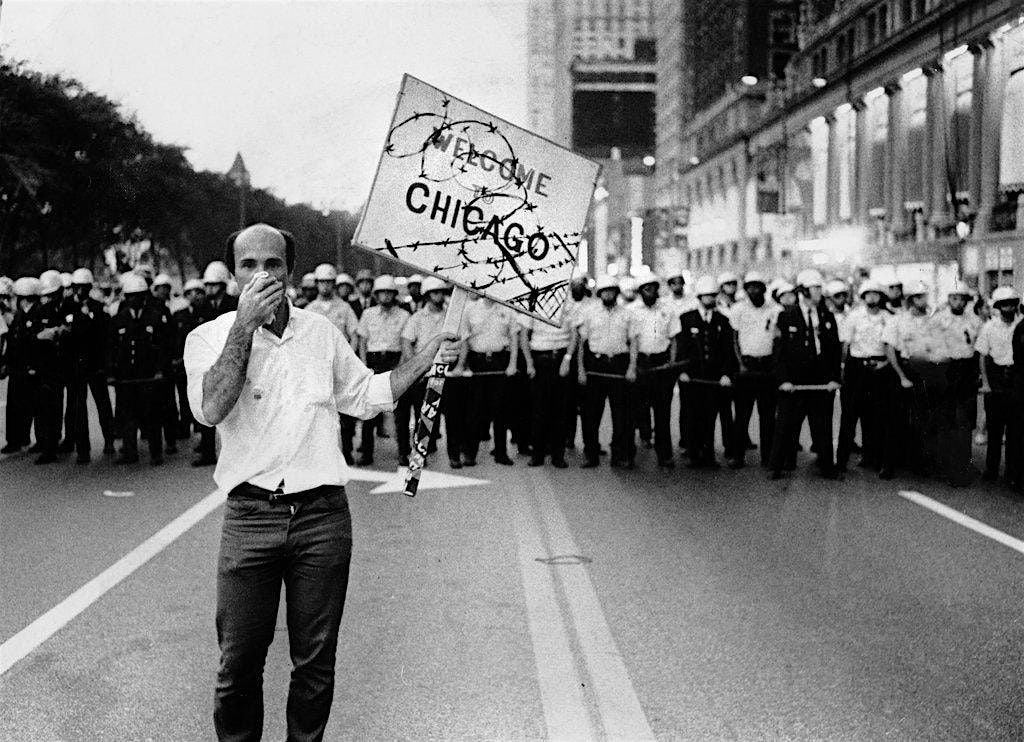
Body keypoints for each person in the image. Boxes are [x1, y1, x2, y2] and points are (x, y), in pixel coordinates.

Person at [183, 224, 460, 742]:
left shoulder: (320, 333)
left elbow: (367, 394)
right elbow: (211, 407)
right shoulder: (208, 337)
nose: (262, 275)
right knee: (238, 662)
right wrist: (244, 327)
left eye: (273, 264)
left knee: (314, 662)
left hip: (322, 518)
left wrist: (427, 358)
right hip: (251, 517)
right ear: (233, 274)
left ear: (291, 271)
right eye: (248, 265)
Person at [768, 269, 842, 480]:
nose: (819, 292)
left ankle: (827, 466)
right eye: (815, 288)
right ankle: (777, 465)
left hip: (820, 382)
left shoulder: (827, 316)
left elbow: (834, 350)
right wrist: (783, 379)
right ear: (803, 290)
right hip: (794, 381)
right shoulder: (786, 316)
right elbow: (779, 352)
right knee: (785, 426)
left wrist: (834, 378)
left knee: (822, 425)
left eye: (819, 287)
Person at [109, 272, 172, 465]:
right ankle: (130, 452)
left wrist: (161, 369)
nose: (134, 300)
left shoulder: (154, 317)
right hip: (127, 377)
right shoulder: (119, 319)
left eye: (138, 296)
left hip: (148, 375)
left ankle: (155, 453)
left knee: (151, 415)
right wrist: (112, 373)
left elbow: (162, 347)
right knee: (129, 416)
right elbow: (111, 348)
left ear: (144, 297)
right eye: (130, 296)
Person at [885, 281, 945, 477]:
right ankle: (890, 464)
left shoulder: (933, 321)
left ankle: (919, 462)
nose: (923, 301)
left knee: (923, 419)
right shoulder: (897, 321)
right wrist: (901, 376)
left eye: (924, 296)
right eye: (918, 297)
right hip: (904, 368)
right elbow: (890, 349)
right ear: (910, 300)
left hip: (925, 370)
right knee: (896, 419)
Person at [577, 275, 636, 468]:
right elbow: (581, 344)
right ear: (600, 294)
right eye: (605, 291)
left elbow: (633, 342)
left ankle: (619, 454)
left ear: (617, 293)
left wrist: (631, 367)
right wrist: (581, 369)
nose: (608, 294)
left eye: (612, 291)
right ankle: (590, 454)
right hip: (596, 366)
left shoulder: (626, 314)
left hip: (619, 365)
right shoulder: (590, 313)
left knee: (621, 415)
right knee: (591, 414)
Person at [678, 276, 737, 469]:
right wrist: (683, 371)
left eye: (713, 296)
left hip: (714, 377)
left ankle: (709, 454)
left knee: (711, 416)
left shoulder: (723, 320)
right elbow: (682, 349)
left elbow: (728, 351)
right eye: (707, 296)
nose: (711, 299)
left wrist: (727, 374)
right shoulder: (687, 319)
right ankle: (694, 454)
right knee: (694, 416)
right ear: (699, 297)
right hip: (693, 377)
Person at [836, 279, 892, 474]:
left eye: (876, 294)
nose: (872, 297)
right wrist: (843, 369)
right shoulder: (854, 317)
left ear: (881, 297)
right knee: (850, 414)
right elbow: (845, 345)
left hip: (880, 367)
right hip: (857, 367)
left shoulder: (887, 317)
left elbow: (890, 345)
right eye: (868, 294)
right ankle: (841, 461)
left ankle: (874, 458)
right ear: (863, 297)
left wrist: (884, 364)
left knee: (878, 415)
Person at [62, 268, 116, 463]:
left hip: (94, 364)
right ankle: (82, 449)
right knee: (78, 409)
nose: (80, 291)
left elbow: (103, 338)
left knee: (103, 404)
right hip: (76, 365)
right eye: (77, 287)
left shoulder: (97, 308)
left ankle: (109, 439)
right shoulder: (66, 307)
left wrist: (105, 365)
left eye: (84, 288)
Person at [930, 281, 980, 486]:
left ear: (967, 301)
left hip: (966, 369)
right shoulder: (940, 320)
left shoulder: (975, 321)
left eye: (962, 299)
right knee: (945, 418)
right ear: (948, 299)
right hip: (947, 368)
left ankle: (964, 463)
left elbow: (977, 347)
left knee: (965, 420)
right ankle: (944, 464)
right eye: (954, 298)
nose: (958, 302)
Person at [458, 295, 519, 466]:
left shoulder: (507, 310)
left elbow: (514, 339)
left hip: (500, 362)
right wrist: (462, 365)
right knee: (475, 412)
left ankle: (501, 453)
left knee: (501, 411)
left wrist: (512, 364)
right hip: (478, 362)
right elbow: (465, 340)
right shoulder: (470, 309)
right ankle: (470, 453)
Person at [354, 275, 408, 466]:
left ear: (394, 294)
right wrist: (363, 365)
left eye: (389, 292)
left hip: (394, 361)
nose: (385, 296)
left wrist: (401, 366)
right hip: (374, 361)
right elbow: (362, 340)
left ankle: (404, 452)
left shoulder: (403, 315)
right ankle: (366, 452)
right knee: (369, 411)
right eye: (381, 292)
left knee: (401, 412)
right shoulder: (368, 314)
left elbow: (405, 342)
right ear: (376, 295)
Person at [627, 273, 680, 467]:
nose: (651, 292)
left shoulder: (667, 310)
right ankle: (629, 453)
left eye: (654, 288)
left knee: (662, 412)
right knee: (635, 411)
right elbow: (630, 341)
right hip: (641, 362)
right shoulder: (632, 311)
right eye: (647, 289)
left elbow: (674, 339)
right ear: (641, 291)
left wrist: (672, 362)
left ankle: (664, 454)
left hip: (661, 364)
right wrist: (632, 367)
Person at [729, 271, 778, 469]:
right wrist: (740, 363)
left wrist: (774, 364)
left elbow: (778, 339)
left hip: (766, 365)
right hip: (746, 365)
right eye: (750, 287)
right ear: (746, 289)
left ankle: (768, 457)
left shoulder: (774, 309)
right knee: (742, 414)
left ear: (764, 288)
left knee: (767, 415)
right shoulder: (738, 309)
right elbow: (734, 339)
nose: (754, 290)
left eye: (758, 286)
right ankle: (737, 455)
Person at [399, 276, 450, 466]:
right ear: (427, 295)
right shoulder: (417, 318)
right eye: (434, 293)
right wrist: (416, 367)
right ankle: (418, 455)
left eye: (441, 292)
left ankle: (439, 449)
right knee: (423, 415)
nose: (438, 296)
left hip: (445, 369)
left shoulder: (449, 317)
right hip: (425, 372)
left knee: (441, 416)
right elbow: (406, 342)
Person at [194, 261, 239, 467]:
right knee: (208, 406)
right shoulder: (201, 306)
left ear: (222, 285)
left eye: (213, 285)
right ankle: (207, 451)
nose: (209, 289)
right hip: (208, 361)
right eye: (208, 285)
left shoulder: (234, 304)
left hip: (230, 361)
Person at [520, 298, 575, 468]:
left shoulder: (569, 302)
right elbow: (524, 336)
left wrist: (567, 359)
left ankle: (558, 455)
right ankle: (537, 454)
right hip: (540, 361)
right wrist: (529, 363)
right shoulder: (533, 303)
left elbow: (574, 335)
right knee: (538, 411)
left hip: (560, 359)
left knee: (560, 412)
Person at [977, 286, 1021, 484]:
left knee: (1015, 430)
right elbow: (983, 356)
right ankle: (991, 469)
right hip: (996, 378)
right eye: (1004, 304)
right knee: (995, 429)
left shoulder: (1021, 325)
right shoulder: (989, 327)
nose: (1009, 308)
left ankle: (1012, 471)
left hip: (1016, 379)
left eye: (1012, 304)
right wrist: (986, 383)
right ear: (998, 306)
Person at [29, 270, 66, 464]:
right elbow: (34, 337)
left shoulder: (66, 309)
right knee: (44, 408)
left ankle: (54, 442)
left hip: (60, 366)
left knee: (55, 407)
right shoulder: (41, 312)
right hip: (45, 366)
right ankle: (47, 445)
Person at [1, 277, 41, 454]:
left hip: (29, 368)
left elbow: (33, 345)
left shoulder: (35, 316)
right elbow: (12, 342)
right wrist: (6, 363)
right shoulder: (19, 317)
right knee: (14, 405)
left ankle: (25, 437)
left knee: (30, 405)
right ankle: (15, 439)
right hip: (17, 368)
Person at [173, 279, 208, 443]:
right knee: (184, 396)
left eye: (199, 292)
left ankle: (199, 427)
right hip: (183, 364)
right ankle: (185, 427)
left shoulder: (207, 314)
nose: (196, 296)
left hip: (200, 362)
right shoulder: (181, 315)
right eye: (192, 293)